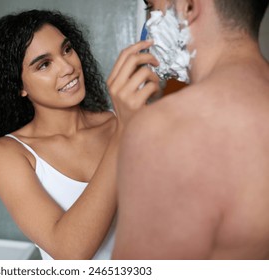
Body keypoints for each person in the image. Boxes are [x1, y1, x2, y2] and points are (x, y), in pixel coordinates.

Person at [0, 10, 160, 259]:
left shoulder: (123, 120)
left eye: (67, 50)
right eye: (44, 64)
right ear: (19, 86)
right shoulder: (7, 153)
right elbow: (68, 252)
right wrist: (124, 132)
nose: (68, 67)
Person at [111, 0, 269, 259]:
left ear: (187, 7)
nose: (148, 26)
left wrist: (131, 132)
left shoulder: (168, 130)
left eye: (151, 8)